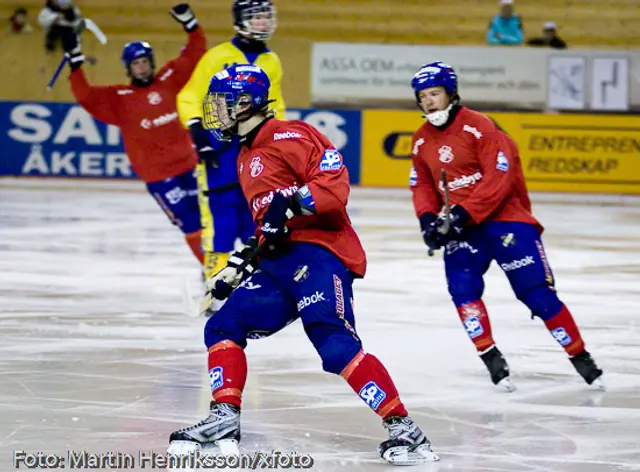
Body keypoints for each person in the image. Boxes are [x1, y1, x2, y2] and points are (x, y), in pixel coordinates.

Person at [167, 64, 438, 466]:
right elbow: (271, 227)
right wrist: (240, 263)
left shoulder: (288, 134)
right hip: (279, 264)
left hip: (320, 254)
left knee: (334, 343)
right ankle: (224, 418)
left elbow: (335, 185)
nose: (216, 114)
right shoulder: (245, 157)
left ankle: (405, 430)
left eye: (222, 104)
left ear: (245, 103)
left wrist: (290, 201)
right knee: (223, 325)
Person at [408, 62, 604, 392]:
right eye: (423, 96)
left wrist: (460, 215)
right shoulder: (420, 141)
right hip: (464, 228)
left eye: (435, 94)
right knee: (462, 291)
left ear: (451, 93)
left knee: (537, 295)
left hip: (505, 221)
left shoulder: (481, 127)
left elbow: (498, 180)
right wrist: (428, 219)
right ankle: (490, 356)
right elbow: (422, 186)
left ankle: (579, 356)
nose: (429, 102)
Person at [61, 4, 208, 265]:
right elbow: (85, 94)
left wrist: (191, 25)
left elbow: (196, 54)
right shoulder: (119, 99)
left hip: (190, 166)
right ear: (128, 68)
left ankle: (222, 267)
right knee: (192, 224)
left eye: (144, 62)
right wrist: (75, 61)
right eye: (135, 64)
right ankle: (212, 271)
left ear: (151, 63)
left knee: (212, 217)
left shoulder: (169, 80)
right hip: (160, 177)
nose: (140, 68)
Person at [177, 0, 285, 282]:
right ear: (240, 21)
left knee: (256, 217)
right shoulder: (217, 56)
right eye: (256, 16)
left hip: (253, 150)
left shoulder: (271, 61)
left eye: (266, 16)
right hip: (219, 151)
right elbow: (189, 96)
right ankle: (214, 279)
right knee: (220, 219)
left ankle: (254, 282)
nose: (263, 22)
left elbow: (276, 104)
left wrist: (278, 139)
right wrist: (197, 130)